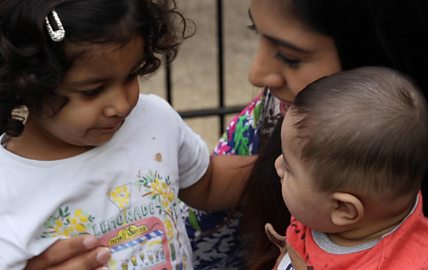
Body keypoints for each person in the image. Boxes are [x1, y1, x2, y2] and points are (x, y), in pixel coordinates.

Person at [27, 0, 428, 269]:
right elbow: (197, 208)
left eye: (290, 55)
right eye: (255, 34)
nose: (257, 72)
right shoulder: (289, 112)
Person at [0, 1, 254, 269]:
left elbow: (208, 183)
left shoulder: (153, 120)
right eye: (92, 91)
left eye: (131, 75)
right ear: (27, 83)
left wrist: (283, 164)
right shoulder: (7, 184)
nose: (121, 105)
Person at [268, 66, 428, 269]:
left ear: (343, 209)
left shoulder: (402, 264)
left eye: (289, 168)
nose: (277, 165)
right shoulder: (329, 209)